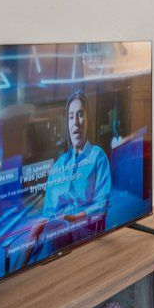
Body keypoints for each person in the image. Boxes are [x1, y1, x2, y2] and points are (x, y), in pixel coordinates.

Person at [43, 90, 112, 227]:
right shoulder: (58, 166)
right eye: (70, 117)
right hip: (55, 232)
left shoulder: (98, 157)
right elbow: (48, 213)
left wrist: (75, 218)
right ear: (67, 124)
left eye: (80, 115)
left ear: (88, 120)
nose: (75, 122)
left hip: (86, 230)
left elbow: (101, 206)